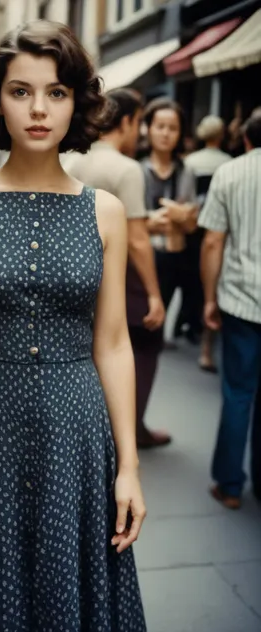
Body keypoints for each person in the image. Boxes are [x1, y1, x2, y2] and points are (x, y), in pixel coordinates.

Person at [0, 20, 147, 631]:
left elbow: (114, 343)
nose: (39, 109)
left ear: (77, 103)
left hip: (79, 431)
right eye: (20, 91)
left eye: (57, 92)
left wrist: (130, 466)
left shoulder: (107, 213)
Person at [67, 88, 169, 449]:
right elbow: (138, 240)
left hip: (78, 270)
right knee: (138, 346)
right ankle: (129, 428)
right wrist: (155, 294)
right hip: (122, 274)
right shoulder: (128, 169)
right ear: (125, 121)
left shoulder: (73, 161)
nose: (139, 131)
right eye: (139, 121)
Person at [199, 114, 261, 510]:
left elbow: (212, 243)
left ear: (244, 139)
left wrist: (208, 298)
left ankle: (229, 484)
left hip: (242, 299)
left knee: (238, 392)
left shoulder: (230, 172)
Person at [141, 98, 198, 348]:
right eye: (160, 126)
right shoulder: (136, 169)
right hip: (145, 255)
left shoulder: (186, 171)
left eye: (172, 128)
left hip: (177, 254)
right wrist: (149, 222)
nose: (165, 134)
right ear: (149, 128)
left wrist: (184, 217)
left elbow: (192, 224)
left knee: (163, 325)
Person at [182, 115, 232, 372]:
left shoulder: (191, 162)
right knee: (207, 283)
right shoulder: (228, 164)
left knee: (191, 278)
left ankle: (188, 321)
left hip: (195, 228)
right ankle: (204, 339)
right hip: (218, 231)